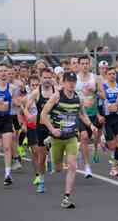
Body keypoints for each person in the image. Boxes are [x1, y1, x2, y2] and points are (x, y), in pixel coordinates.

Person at [40, 71, 98, 209]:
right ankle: (49, 146)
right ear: (63, 82)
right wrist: (52, 130)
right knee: (58, 168)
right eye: (68, 81)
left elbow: (82, 114)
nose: (71, 84)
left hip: (71, 136)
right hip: (57, 137)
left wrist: (91, 125)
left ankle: (66, 197)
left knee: (72, 165)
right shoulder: (57, 96)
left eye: (73, 81)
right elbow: (43, 115)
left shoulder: (78, 98)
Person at [26, 68, 56, 192]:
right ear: (40, 78)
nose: (47, 80)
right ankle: (42, 181)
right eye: (45, 78)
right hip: (41, 126)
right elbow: (26, 107)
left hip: (54, 125)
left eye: (49, 77)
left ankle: (52, 156)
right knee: (41, 156)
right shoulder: (36, 92)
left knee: (56, 147)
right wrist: (29, 115)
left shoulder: (57, 91)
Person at [76, 55, 104, 178]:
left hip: (93, 113)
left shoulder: (96, 78)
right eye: (82, 63)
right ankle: (87, 166)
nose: (85, 66)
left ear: (90, 64)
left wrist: (95, 91)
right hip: (80, 113)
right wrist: (80, 101)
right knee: (84, 137)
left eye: (87, 63)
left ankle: (90, 152)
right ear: (78, 65)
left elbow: (103, 96)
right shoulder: (74, 79)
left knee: (96, 136)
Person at [99, 66, 118, 177]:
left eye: (114, 73)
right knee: (112, 146)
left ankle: (115, 166)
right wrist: (99, 115)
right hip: (107, 119)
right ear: (106, 75)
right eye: (110, 74)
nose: (112, 75)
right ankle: (105, 142)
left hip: (117, 118)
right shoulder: (103, 87)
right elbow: (98, 102)